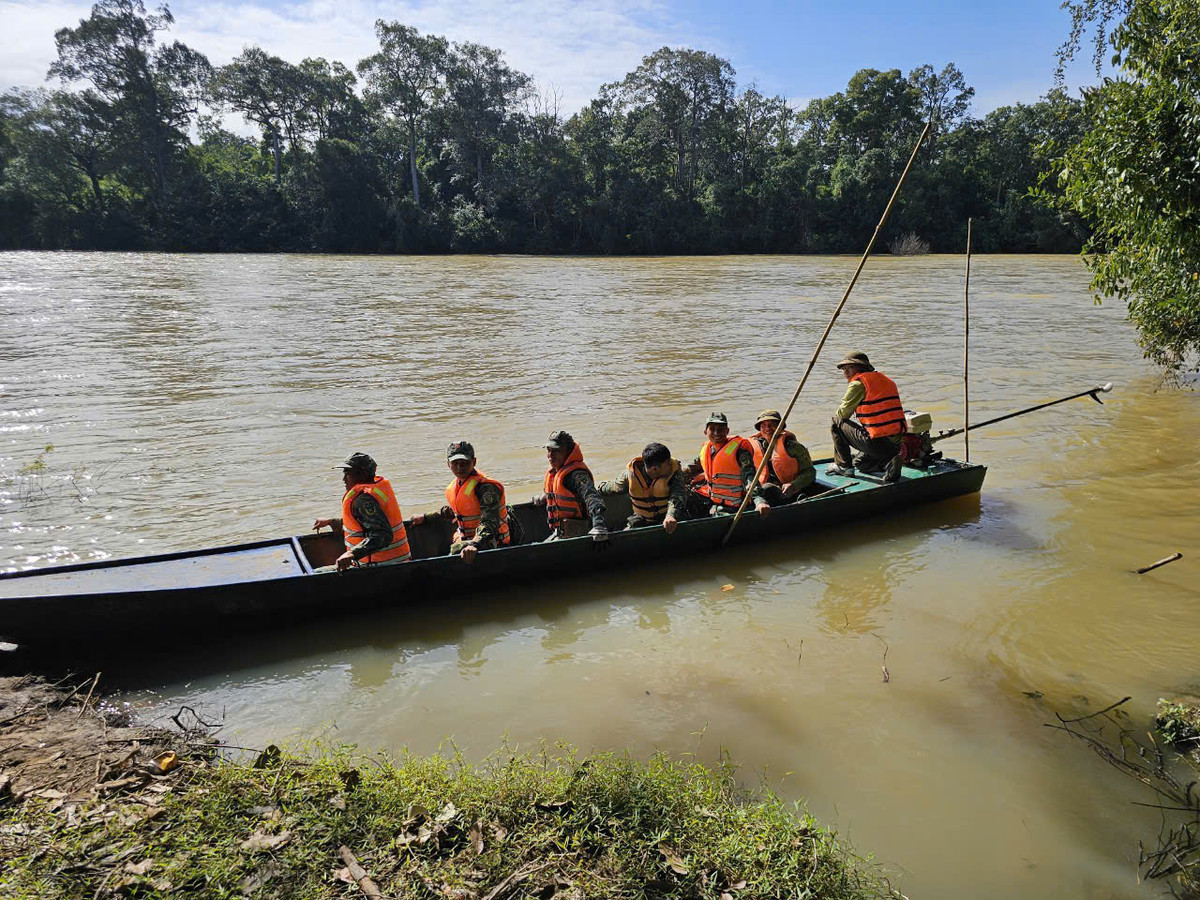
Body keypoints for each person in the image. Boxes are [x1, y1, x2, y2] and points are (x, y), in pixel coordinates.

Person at [411, 441, 510, 564]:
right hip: (468, 541)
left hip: (489, 543)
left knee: (454, 553)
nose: (459, 468)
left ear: (474, 462)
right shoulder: (457, 485)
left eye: (464, 463)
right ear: (448, 464)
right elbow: (456, 511)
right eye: (455, 463)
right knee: (455, 549)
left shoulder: (486, 487)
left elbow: (490, 522)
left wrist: (474, 544)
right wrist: (426, 517)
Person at [312, 452, 411, 572]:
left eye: (348, 474)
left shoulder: (363, 500)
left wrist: (352, 554)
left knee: (316, 572)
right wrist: (332, 522)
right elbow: (363, 523)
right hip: (397, 561)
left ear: (362, 475)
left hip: (379, 566)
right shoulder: (375, 491)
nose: (344, 479)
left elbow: (382, 534)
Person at [828, 351, 905, 482]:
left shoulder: (859, 383)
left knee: (836, 422)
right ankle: (888, 464)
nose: (846, 371)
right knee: (860, 464)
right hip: (895, 445)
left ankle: (844, 466)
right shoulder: (887, 380)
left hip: (878, 443)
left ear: (862, 367)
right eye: (843, 368)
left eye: (850, 367)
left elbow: (842, 414)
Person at [688, 413, 771, 517]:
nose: (716, 433)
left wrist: (759, 501)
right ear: (705, 432)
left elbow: (750, 476)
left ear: (727, 431)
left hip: (736, 507)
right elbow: (692, 467)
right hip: (715, 502)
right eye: (712, 429)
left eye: (720, 429)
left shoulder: (739, 450)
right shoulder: (707, 449)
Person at [535, 430, 609, 543]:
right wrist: (544, 498)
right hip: (561, 532)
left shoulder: (577, 475)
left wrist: (599, 525)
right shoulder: (556, 471)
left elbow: (593, 498)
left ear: (569, 452)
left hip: (580, 533)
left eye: (556, 451)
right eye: (549, 451)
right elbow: (563, 494)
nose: (550, 455)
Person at [599, 442, 688, 533]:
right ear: (655, 469)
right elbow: (615, 487)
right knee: (625, 533)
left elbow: (678, 494)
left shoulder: (674, 473)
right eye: (668, 463)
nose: (671, 464)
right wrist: (599, 488)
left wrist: (671, 515)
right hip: (642, 519)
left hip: (670, 518)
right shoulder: (630, 475)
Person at [748, 409, 816, 504]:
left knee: (767, 489)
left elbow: (810, 473)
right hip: (763, 489)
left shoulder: (793, 447)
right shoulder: (754, 447)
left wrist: (793, 485)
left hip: (789, 492)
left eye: (772, 425)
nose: (767, 428)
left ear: (780, 427)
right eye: (763, 425)